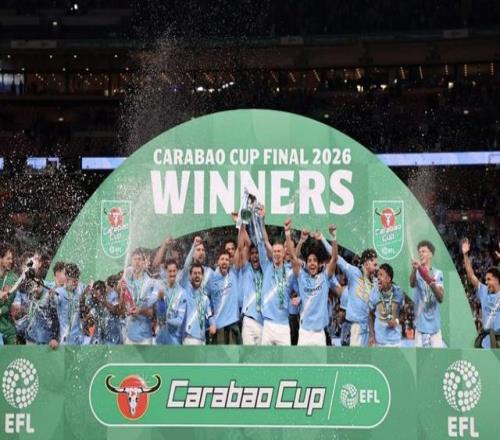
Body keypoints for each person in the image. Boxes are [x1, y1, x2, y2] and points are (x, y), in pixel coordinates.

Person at [285, 220, 337, 346]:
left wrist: (334, 237)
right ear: (306, 264)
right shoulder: (301, 276)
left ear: (319, 264)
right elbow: (292, 257)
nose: (312, 263)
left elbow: (334, 258)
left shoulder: (325, 277)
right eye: (309, 261)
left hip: (319, 334)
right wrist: (287, 233)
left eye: (314, 261)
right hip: (304, 333)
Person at [331, 231, 378, 347]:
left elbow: (371, 312)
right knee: (356, 356)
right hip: (356, 327)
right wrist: (328, 237)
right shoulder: (354, 273)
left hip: (368, 328)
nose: (377, 268)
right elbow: (336, 258)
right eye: (375, 264)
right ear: (367, 264)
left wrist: (372, 334)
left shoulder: (374, 284)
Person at [461, 238, 500, 348]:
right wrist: (465, 255)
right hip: (486, 342)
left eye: (489, 279)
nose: (486, 282)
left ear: (497, 280)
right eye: (485, 280)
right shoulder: (484, 291)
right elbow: (471, 275)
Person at [410, 240, 444, 348]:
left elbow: (440, 298)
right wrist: (414, 269)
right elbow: (412, 283)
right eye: (419, 252)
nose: (421, 254)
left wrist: (429, 280)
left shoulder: (438, 273)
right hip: (420, 326)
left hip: (435, 327)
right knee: (420, 358)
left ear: (431, 254)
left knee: (437, 358)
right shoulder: (417, 272)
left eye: (423, 251)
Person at [205, 249, 241, 344]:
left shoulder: (234, 273)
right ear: (218, 262)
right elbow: (204, 299)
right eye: (222, 259)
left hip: (233, 324)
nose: (224, 261)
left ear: (229, 262)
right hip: (218, 326)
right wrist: (211, 319)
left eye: (226, 259)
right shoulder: (212, 279)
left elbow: (240, 248)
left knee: (235, 353)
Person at [237, 224, 263, 345]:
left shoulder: (267, 271)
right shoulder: (246, 269)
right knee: (247, 354)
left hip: (263, 322)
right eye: (252, 253)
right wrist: (241, 225)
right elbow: (242, 246)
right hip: (248, 320)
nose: (255, 255)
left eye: (257, 253)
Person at [368, 264, 405, 347]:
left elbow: (403, 312)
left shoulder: (399, 292)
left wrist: (396, 321)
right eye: (377, 275)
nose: (378, 278)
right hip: (379, 342)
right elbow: (370, 315)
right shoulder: (374, 293)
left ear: (388, 279)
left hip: (396, 342)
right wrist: (372, 335)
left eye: (381, 275)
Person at [183, 263, 216, 345]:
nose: (197, 275)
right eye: (194, 273)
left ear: (202, 276)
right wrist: (193, 254)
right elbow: (186, 265)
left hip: (202, 339)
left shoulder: (205, 298)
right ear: (190, 276)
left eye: (199, 273)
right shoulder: (185, 291)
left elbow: (209, 315)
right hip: (188, 338)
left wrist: (213, 325)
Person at [156, 259, 186, 345]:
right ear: (166, 272)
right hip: (160, 339)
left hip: (174, 341)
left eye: (174, 271)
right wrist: (161, 301)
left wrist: (166, 320)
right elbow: (159, 315)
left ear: (177, 271)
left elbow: (180, 320)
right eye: (170, 271)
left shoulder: (182, 293)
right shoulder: (161, 290)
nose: (172, 274)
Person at [54, 263, 86, 345]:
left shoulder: (80, 290)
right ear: (67, 279)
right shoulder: (59, 292)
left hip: (79, 338)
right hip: (65, 339)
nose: (76, 283)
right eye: (74, 281)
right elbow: (52, 307)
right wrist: (51, 298)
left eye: (77, 279)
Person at [0, 243, 18, 345]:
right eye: (8, 258)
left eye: (12, 258)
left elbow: (7, 304)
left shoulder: (13, 278)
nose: (11, 261)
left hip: (8, 330)